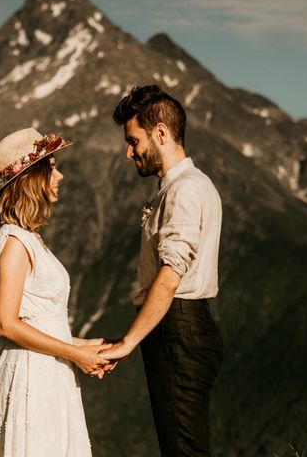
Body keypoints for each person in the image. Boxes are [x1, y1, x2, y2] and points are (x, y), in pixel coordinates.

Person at [0, 128, 110, 457]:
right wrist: (76, 354)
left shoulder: (28, 239)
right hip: (32, 379)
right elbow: (6, 324)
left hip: (47, 372)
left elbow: (38, 322)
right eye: (52, 167)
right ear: (32, 178)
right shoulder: (16, 244)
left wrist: (87, 346)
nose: (59, 175)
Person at [101, 85, 224, 456]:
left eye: (133, 141)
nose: (129, 152)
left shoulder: (184, 190)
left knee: (184, 451)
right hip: (181, 328)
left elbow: (170, 276)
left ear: (161, 134)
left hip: (178, 328)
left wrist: (129, 341)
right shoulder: (182, 187)